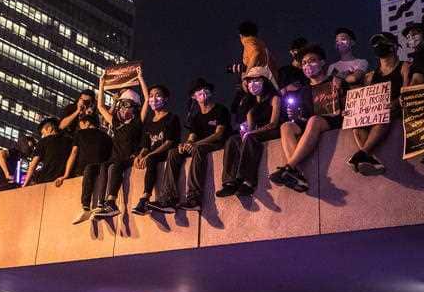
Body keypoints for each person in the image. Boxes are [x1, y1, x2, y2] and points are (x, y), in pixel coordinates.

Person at [147, 78, 232, 213]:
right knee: (174, 152)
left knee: (198, 149)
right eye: (198, 91)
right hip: (198, 145)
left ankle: (194, 198)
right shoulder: (196, 118)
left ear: (210, 91)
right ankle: (168, 198)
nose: (202, 92)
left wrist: (195, 144)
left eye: (205, 89)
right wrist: (185, 145)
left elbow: (219, 134)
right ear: (194, 96)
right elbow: (192, 137)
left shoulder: (221, 110)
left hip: (216, 145)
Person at [270, 44, 343, 192]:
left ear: (322, 62)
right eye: (304, 63)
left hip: (332, 120)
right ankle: (295, 172)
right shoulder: (303, 91)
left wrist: (340, 84)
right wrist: (297, 117)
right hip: (311, 123)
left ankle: (289, 167)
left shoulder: (335, 82)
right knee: (286, 126)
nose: (307, 65)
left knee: (314, 120)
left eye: (312, 61)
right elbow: (304, 117)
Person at [347, 33, 411, 175]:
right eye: (375, 44)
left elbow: (407, 91)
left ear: (394, 46)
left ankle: (362, 154)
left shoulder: (404, 66)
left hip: (396, 110)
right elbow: (364, 100)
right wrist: (351, 110)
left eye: (382, 42)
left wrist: (395, 103)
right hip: (377, 114)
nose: (378, 46)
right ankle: (366, 157)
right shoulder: (370, 76)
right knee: (356, 125)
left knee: (383, 113)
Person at [91, 70, 149, 218]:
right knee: (104, 165)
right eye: (121, 104)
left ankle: (111, 202)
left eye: (127, 105)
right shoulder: (116, 123)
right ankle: (101, 202)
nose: (123, 108)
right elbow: (101, 107)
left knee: (116, 167)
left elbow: (147, 100)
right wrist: (102, 82)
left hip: (129, 157)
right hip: (116, 157)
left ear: (135, 107)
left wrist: (140, 78)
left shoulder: (137, 122)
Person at [216, 67, 281, 197]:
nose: (252, 84)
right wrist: (245, 132)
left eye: (256, 80)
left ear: (265, 81)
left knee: (250, 138)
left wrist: (252, 133)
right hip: (257, 133)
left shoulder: (274, 98)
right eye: (250, 81)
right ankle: (230, 182)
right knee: (233, 140)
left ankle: (248, 181)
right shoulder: (251, 105)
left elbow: (274, 123)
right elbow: (250, 127)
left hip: (273, 130)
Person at [131, 84, 182, 215]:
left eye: (158, 95)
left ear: (165, 99)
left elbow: (169, 142)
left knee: (152, 159)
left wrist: (149, 155)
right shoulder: (149, 123)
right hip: (153, 155)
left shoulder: (172, 118)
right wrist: (140, 155)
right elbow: (145, 146)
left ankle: (144, 199)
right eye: (151, 96)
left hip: (167, 153)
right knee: (149, 159)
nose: (154, 98)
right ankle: (144, 201)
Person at [57, 115, 112, 224]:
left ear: (87, 123)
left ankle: (86, 207)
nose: (79, 127)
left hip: (84, 170)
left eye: (80, 125)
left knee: (88, 169)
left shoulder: (80, 134)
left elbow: (74, 153)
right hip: (101, 169)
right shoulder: (107, 137)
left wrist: (66, 175)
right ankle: (100, 205)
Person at [22, 117, 72, 186]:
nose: (43, 136)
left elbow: (33, 164)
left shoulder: (43, 141)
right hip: (65, 179)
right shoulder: (69, 141)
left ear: (49, 129)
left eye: (43, 133)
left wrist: (25, 184)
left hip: (46, 179)